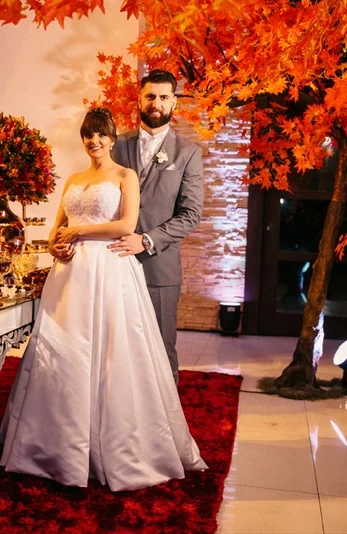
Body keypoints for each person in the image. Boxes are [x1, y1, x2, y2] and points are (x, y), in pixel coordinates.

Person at [0, 108, 207, 492]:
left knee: (111, 352)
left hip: (109, 269)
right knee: (63, 352)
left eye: (100, 135)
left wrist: (77, 233)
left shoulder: (125, 176)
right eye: (88, 135)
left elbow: (126, 225)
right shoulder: (74, 179)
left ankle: (115, 448)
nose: (93, 141)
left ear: (112, 138)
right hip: (69, 274)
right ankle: (53, 448)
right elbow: (56, 227)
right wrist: (57, 246)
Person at [107, 69, 204, 386]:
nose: (156, 103)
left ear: (174, 102)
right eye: (150, 96)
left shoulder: (188, 153)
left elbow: (190, 213)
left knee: (161, 348)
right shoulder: (116, 146)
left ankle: (165, 424)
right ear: (139, 98)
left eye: (164, 97)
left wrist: (146, 240)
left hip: (158, 267)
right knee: (114, 346)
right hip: (113, 261)